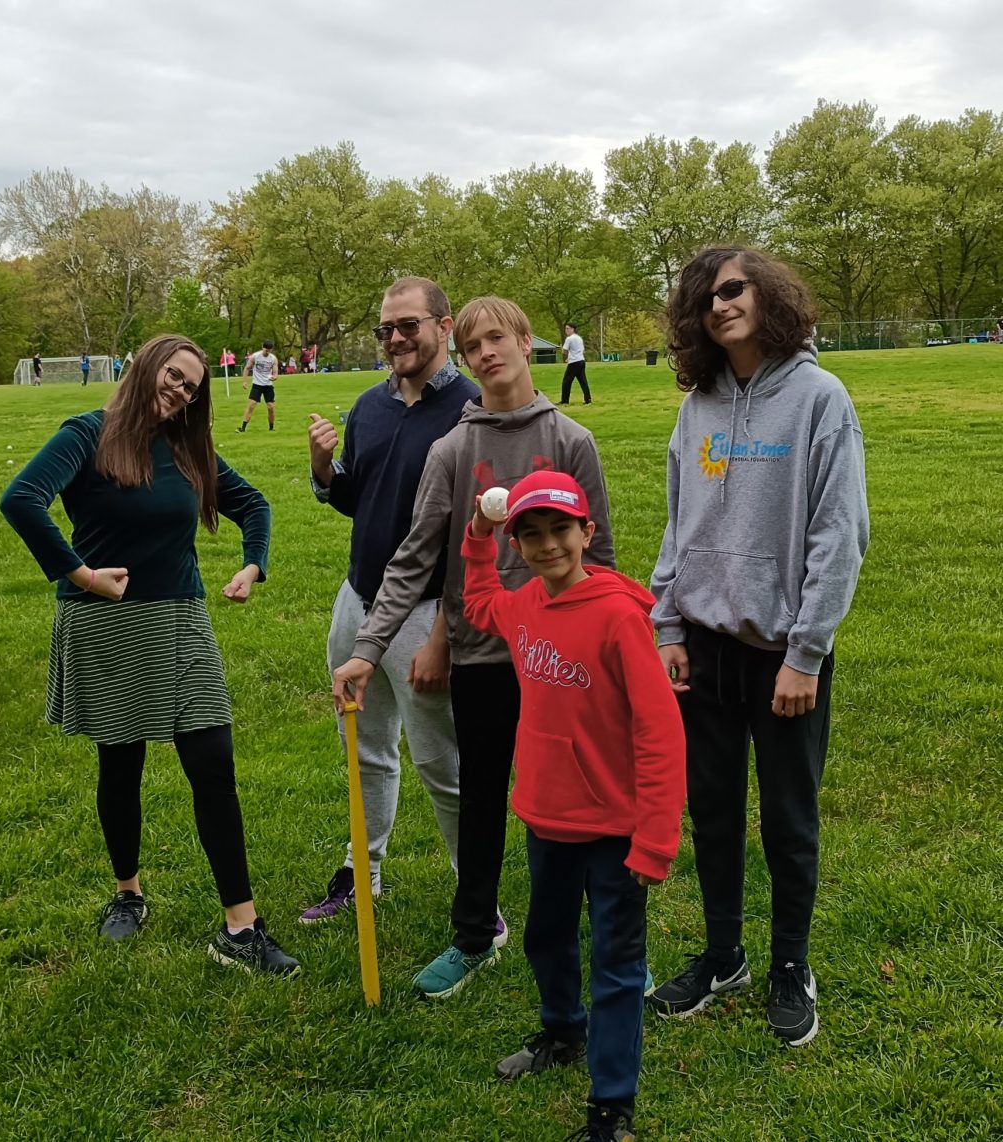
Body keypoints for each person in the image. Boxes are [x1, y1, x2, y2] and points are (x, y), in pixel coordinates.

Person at [332, 296, 615, 1000]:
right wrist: (368, 648)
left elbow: (602, 554)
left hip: (560, 662)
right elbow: (414, 556)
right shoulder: (453, 450)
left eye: (498, 339)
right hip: (485, 658)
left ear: (525, 342)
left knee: (573, 798)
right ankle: (473, 936)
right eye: (472, 346)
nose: (486, 353)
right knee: (483, 795)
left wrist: (604, 646)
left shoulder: (571, 439)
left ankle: (594, 921)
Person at [0, 334, 299, 974]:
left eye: (191, 385)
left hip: (181, 621)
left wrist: (254, 564)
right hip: (104, 622)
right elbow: (21, 501)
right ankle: (128, 893)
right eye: (175, 375)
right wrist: (81, 575)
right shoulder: (87, 434)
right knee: (121, 762)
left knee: (213, 762)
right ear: (146, 365)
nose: (181, 390)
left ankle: (240, 927)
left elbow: (254, 504)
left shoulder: (187, 449)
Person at [647, 245, 869, 1047]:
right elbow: (679, 522)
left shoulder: (819, 398)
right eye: (704, 296)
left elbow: (839, 534)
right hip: (703, 645)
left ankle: (789, 965)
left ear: (768, 295)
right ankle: (722, 953)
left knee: (787, 815)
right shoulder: (697, 406)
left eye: (733, 289)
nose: (718, 305)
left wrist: (806, 652)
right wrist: (667, 624)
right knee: (711, 810)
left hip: (784, 654)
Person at [462, 470, 685, 1142]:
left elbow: (660, 732)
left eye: (561, 530)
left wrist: (654, 841)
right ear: (518, 546)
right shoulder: (525, 604)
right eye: (530, 536)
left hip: (615, 832)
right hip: (547, 818)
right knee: (546, 938)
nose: (548, 545)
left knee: (616, 967)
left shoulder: (619, 617)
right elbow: (479, 604)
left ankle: (611, 1111)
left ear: (588, 532)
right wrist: (477, 535)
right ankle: (564, 1032)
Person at [302, 277, 477, 924]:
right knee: (363, 745)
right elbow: (355, 498)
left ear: (444, 325)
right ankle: (361, 872)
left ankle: (475, 894)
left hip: (427, 610)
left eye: (408, 326)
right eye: (386, 330)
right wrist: (324, 469)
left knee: (442, 762)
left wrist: (445, 631)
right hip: (358, 597)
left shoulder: (472, 408)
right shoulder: (369, 407)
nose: (396, 339)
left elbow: (475, 539)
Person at [238, 341, 278, 431]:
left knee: (271, 407)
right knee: (251, 405)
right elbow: (247, 368)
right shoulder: (255, 356)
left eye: (269, 351)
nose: (267, 352)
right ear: (262, 347)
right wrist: (244, 381)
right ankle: (242, 428)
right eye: (266, 350)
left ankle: (271, 428)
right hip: (257, 384)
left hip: (268, 385)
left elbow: (275, 374)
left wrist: (274, 377)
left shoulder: (273, 359)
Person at [559, 322, 591, 406]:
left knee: (566, 381)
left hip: (574, 362)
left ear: (573, 329)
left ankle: (564, 400)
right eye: (565, 329)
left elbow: (564, 350)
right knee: (583, 381)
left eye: (568, 328)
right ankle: (588, 399)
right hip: (581, 361)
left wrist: (567, 355)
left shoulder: (569, 339)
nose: (566, 330)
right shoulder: (579, 338)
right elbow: (582, 350)